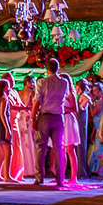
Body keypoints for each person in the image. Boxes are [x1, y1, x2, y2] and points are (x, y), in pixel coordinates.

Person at [33, 58, 73, 186]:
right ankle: (60, 178)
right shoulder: (64, 83)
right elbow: (66, 96)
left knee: (40, 147)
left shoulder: (42, 82)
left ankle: (39, 177)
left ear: (47, 68)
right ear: (58, 68)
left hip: (44, 116)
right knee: (59, 148)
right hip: (58, 116)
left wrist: (33, 117)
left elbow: (37, 101)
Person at [12, 75, 37, 181]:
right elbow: (33, 106)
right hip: (27, 116)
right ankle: (30, 169)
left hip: (21, 116)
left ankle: (25, 169)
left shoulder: (18, 93)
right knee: (28, 142)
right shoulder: (32, 93)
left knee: (24, 142)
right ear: (26, 82)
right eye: (32, 82)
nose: (33, 84)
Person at [59, 72, 82, 185]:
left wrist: (63, 107)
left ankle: (74, 177)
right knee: (61, 150)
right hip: (60, 119)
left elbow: (75, 109)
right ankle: (61, 176)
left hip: (68, 119)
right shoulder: (58, 93)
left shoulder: (70, 94)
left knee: (70, 150)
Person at [87, 81, 103, 178]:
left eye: (95, 90)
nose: (94, 93)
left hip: (101, 129)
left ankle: (101, 172)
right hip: (97, 128)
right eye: (92, 90)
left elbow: (93, 113)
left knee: (99, 150)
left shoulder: (101, 100)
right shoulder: (98, 101)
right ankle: (95, 170)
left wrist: (90, 103)